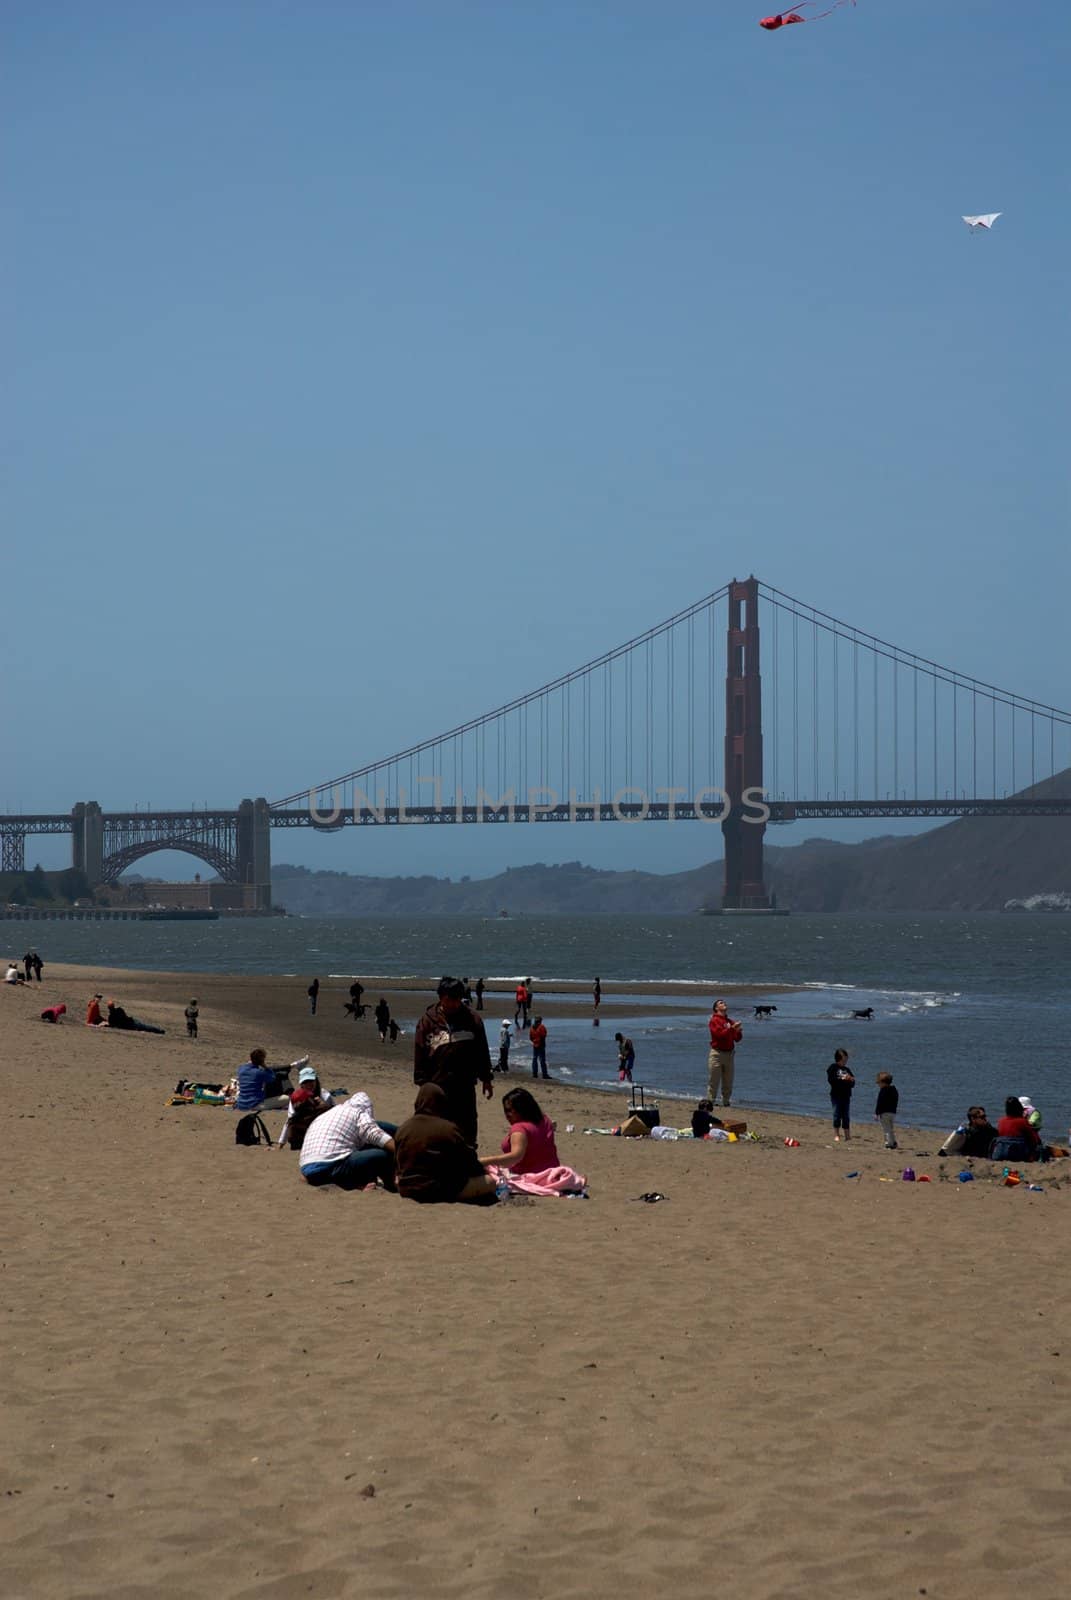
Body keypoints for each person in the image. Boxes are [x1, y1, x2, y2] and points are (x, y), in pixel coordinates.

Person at [413, 977, 494, 1147]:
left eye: (458, 999)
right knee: (437, 1129)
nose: (455, 1004)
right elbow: (420, 1053)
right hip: (437, 1085)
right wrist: (422, 1084)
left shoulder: (472, 1020)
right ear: (441, 998)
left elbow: (482, 1050)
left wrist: (486, 1078)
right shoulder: (427, 1021)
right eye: (451, 1000)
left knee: (467, 1128)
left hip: (464, 1085)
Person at [395, 1084, 498, 1205]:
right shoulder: (448, 1129)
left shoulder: (403, 1128)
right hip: (438, 1189)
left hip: (406, 1189)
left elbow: (398, 1163)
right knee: (490, 1182)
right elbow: (468, 1160)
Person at [299, 1092, 397, 1190]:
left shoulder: (329, 1114)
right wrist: (401, 1152)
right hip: (331, 1166)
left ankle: (360, 1183)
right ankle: (391, 1184)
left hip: (307, 1170)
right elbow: (376, 1135)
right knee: (382, 1156)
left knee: (357, 1151)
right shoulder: (358, 1112)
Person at [481, 1086, 560, 1177]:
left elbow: (515, 1157)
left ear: (522, 1109)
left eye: (510, 1110)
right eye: (506, 1111)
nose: (507, 1115)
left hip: (530, 1177)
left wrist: (482, 1162)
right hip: (553, 1173)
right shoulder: (544, 1120)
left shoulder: (519, 1129)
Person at [278, 1066, 335, 1151]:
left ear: (316, 1080)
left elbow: (335, 1114)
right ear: (301, 1084)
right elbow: (290, 1119)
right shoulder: (296, 1097)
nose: (309, 1084)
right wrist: (281, 1143)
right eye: (305, 1082)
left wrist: (323, 1105)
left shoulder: (325, 1096)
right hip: (303, 1130)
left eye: (311, 1081)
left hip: (322, 1129)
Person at [234, 1047, 298, 1112]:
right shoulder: (259, 1072)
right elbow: (273, 1077)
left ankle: (290, 1067)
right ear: (262, 1061)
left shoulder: (241, 1068)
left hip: (241, 1103)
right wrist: (265, 1066)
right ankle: (290, 1092)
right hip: (254, 1104)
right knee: (286, 1098)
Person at [707, 1000, 742, 1108]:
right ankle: (710, 1101)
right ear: (716, 1008)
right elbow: (719, 1035)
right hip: (717, 1053)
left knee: (728, 1081)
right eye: (721, 1003)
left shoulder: (729, 1021)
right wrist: (731, 1029)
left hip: (729, 1054)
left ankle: (726, 1101)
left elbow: (737, 1039)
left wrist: (738, 1031)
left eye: (724, 1002)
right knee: (714, 1080)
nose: (724, 1004)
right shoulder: (714, 1020)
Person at [990, 1097, 1043, 1163]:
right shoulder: (1022, 1121)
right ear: (1019, 1108)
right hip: (1018, 1154)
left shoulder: (1001, 1121)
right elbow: (1033, 1140)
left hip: (1000, 1152)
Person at [827, 1049, 855, 1141]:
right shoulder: (833, 1067)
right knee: (836, 1115)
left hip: (846, 1096)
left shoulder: (847, 1070)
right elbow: (831, 1080)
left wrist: (851, 1080)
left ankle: (847, 1135)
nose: (845, 1062)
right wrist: (843, 1078)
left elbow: (853, 1083)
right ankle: (837, 1134)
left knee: (846, 1116)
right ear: (838, 1059)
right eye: (843, 1060)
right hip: (836, 1096)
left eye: (846, 1060)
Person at [875, 1072, 899, 1149]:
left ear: (883, 1083)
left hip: (884, 1113)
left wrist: (876, 1113)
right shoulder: (894, 1090)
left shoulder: (883, 1091)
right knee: (890, 1128)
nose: (878, 1085)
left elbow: (879, 1102)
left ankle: (889, 1144)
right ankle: (893, 1142)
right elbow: (896, 1100)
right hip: (892, 1112)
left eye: (878, 1083)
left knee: (886, 1129)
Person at [528, 1016, 549, 1080]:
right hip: (541, 1044)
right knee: (542, 1060)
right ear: (540, 1021)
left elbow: (530, 1037)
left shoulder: (532, 1028)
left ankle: (535, 1074)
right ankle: (544, 1074)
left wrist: (534, 1041)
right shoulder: (541, 1027)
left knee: (535, 1059)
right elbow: (544, 1035)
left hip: (535, 1044)